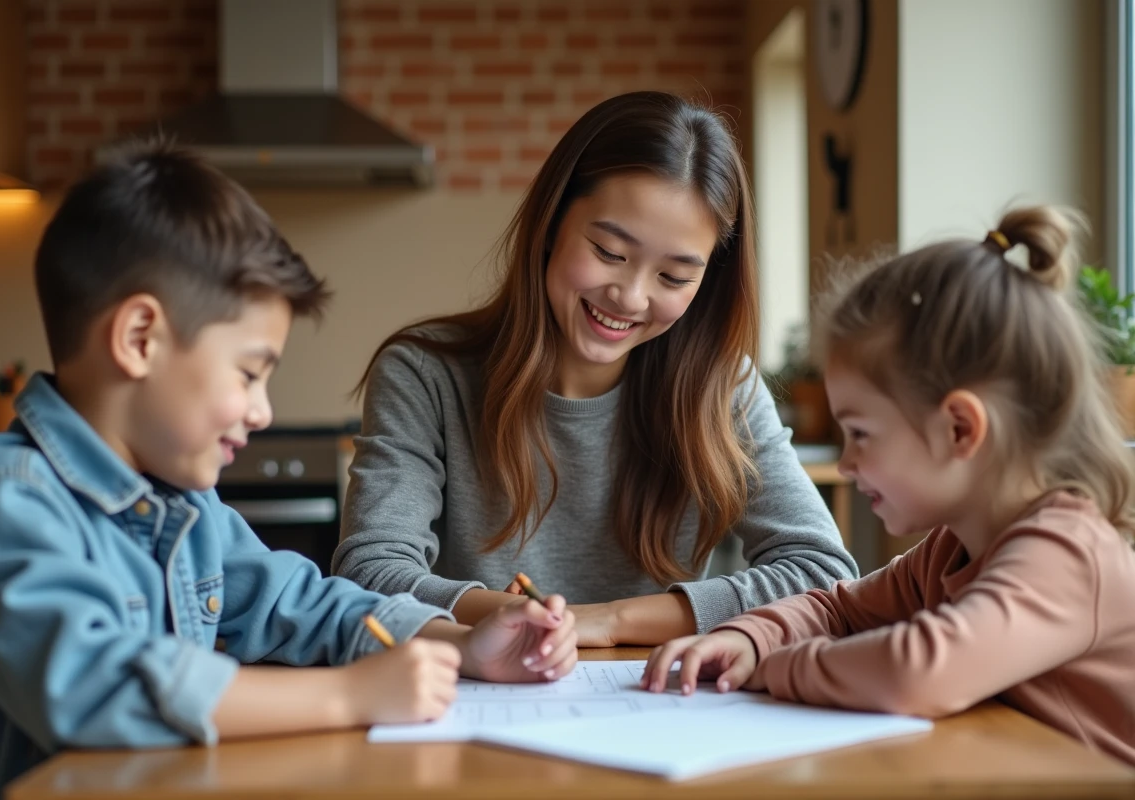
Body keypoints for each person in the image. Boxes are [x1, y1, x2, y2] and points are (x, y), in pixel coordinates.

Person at [0, 141, 578, 800]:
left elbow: (296, 602)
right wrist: (348, 696)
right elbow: (96, 688)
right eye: (248, 374)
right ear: (138, 340)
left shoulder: (189, 505)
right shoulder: (6, 500)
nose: (262, 411)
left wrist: (461, 644)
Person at [333, 91, 858, 647]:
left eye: (674, 278)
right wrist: (520, 620)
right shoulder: (424, 374)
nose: (631, 297)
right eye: (609, 252)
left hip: (661, 709)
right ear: (553, 222)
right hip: (469, 699)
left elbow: (823, 573)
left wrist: (608, 620)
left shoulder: (722, 385)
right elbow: (370, 573)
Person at [642, 207, 1135, 766]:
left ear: (959, 429)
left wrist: (775, 666)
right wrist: (752, 637)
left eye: (860, 433)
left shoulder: (1067, 553)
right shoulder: (952, 548)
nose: (847, 464)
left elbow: (918, 672)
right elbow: (839, 610)